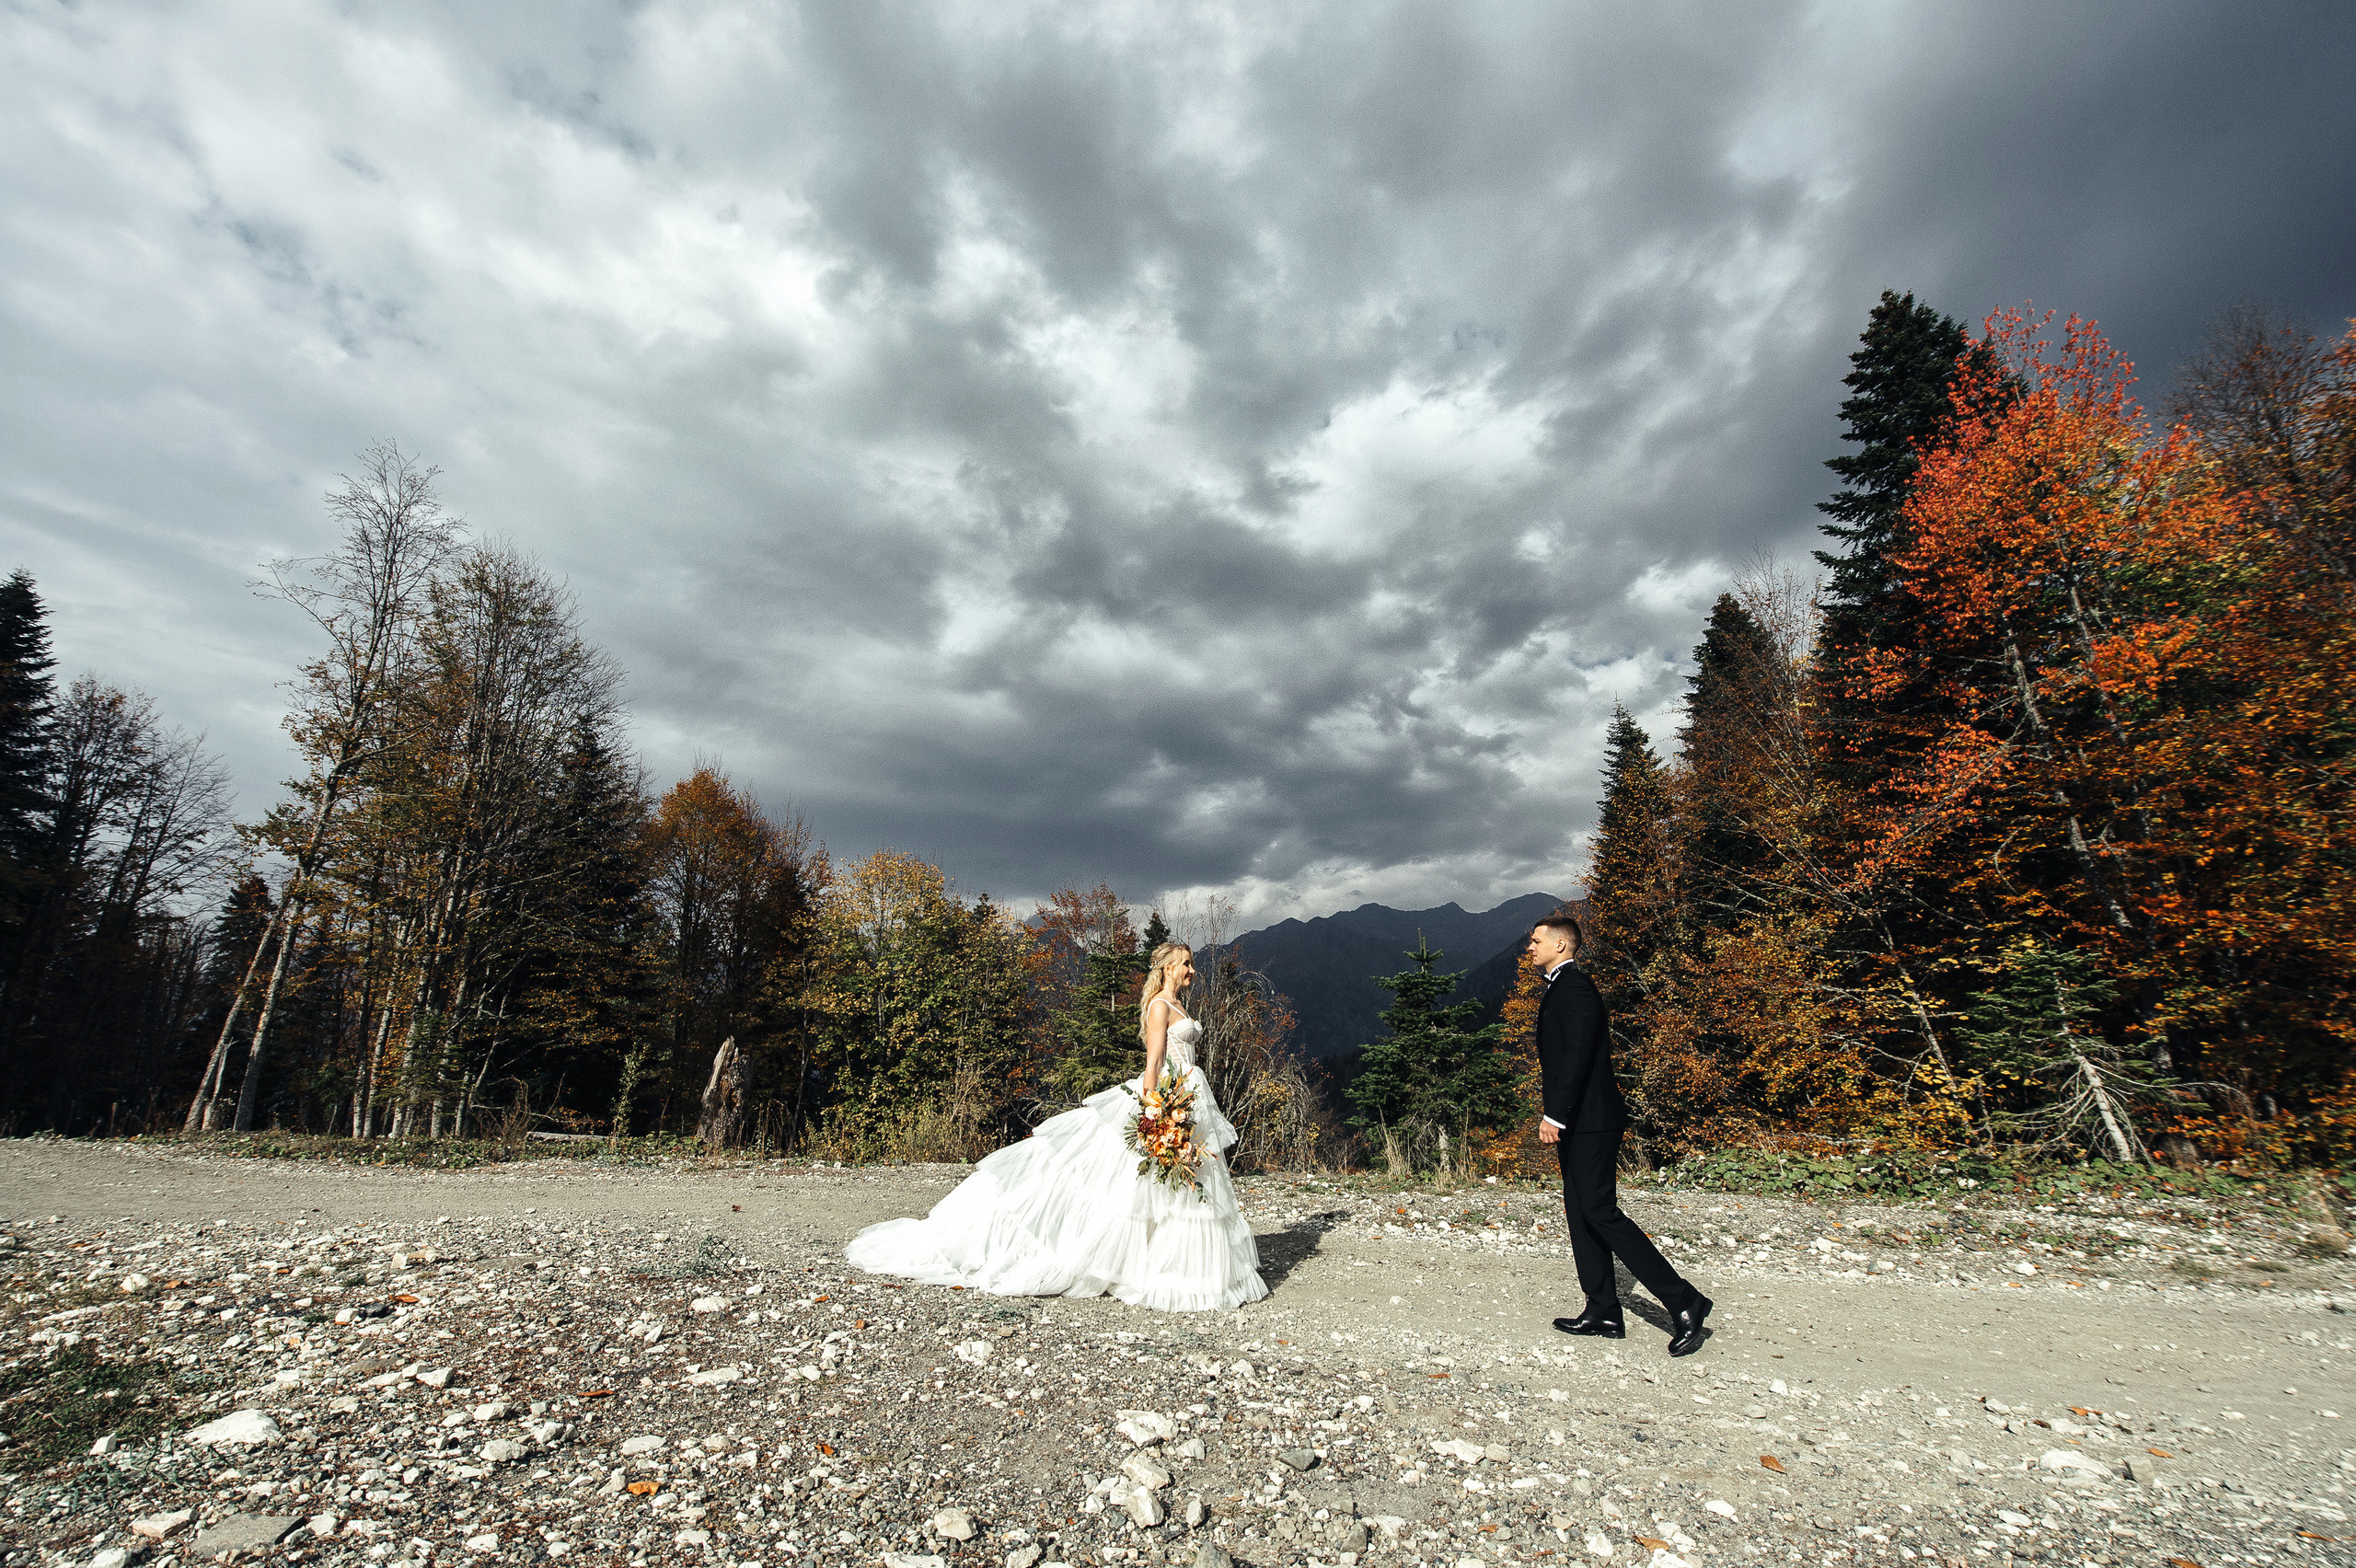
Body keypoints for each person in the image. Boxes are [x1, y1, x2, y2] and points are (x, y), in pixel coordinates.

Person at [845, 940, 1269, 1313]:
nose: (1192, 970)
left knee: (1169, 1185)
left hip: (1188, 1096)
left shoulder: (1178, 1004)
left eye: (1192, 964)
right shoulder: (1160, 1005)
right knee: (1125, 1182)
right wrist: (1154, 1109)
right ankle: (1133, 1261)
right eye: (1186, 963)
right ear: (1166, 968)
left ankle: (1176, 1264)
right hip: (1168, 1096)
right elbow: (1153, 1062)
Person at [1527, 908, 1712, 1355]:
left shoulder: (1576, 989)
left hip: (1591, 1120)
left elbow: (1575, 1058)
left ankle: (1684, 1300)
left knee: (1601, 1212)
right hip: (1581, 1119)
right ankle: (1603, 1308)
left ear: (1561, 945)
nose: (1529, 947)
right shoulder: (1560, 989)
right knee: (1580, 1211)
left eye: (1536, 941)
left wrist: (1555, 1114)